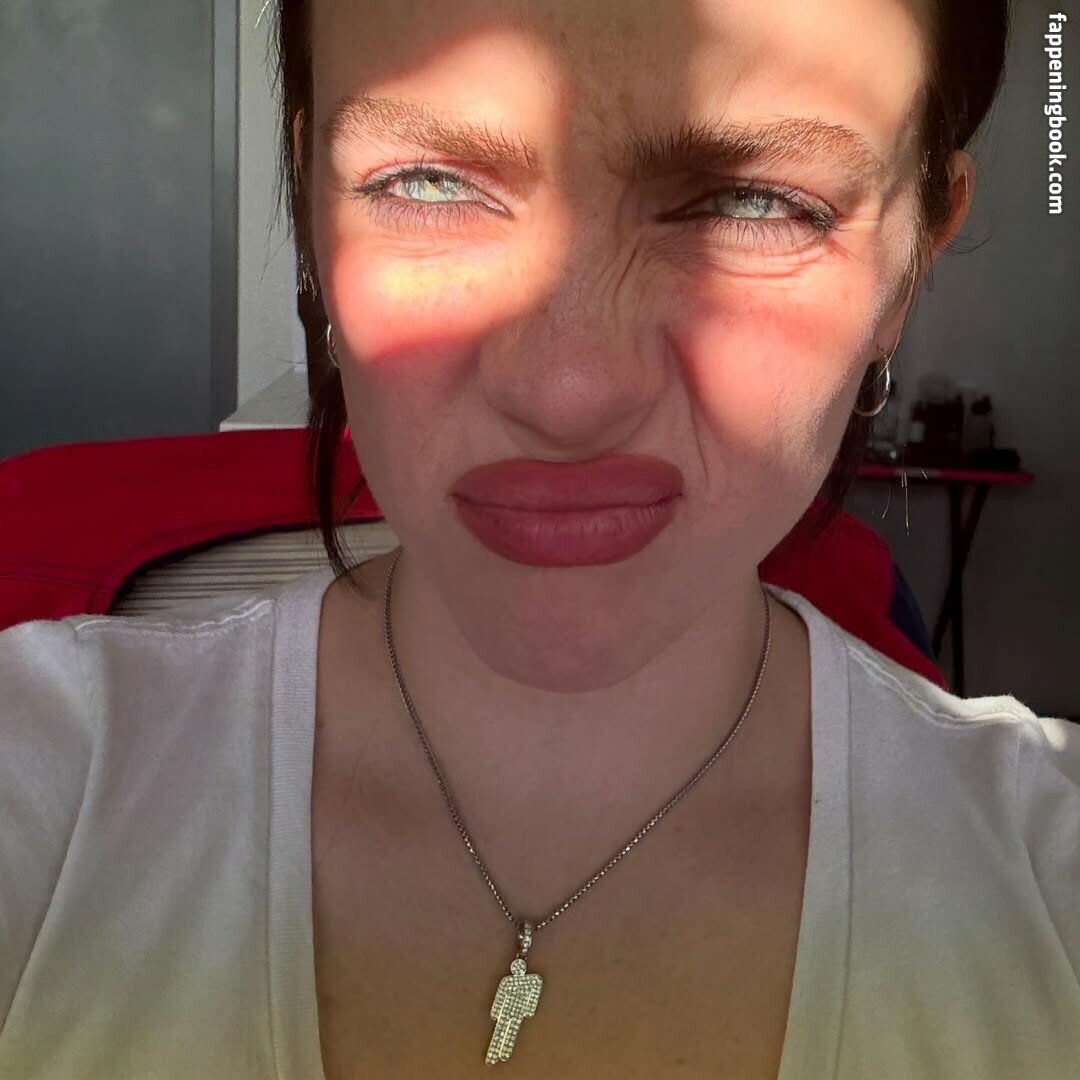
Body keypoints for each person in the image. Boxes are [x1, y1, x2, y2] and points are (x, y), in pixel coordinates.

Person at [1, 1, 1076, 1077]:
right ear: (313, 208)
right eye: (427, 183)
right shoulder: (48, 768)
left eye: (755, 201)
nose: (567, 394)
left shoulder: (1048, 874)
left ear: (911, 256)